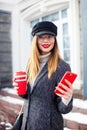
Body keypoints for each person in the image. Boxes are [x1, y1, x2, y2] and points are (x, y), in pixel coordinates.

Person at [13, 21, 73, 130]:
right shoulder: (31, 63)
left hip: (47, 125)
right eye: (41, 37)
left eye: (49, 36)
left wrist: (66, 99)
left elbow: (64, 109)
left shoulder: (62, 67)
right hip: (26, 123)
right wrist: (21, 89)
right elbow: (28, 96)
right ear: (35, 40)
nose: (46, 40)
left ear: (54, 39)